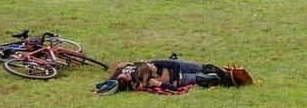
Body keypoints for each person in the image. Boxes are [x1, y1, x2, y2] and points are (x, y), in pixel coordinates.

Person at [104, 58, 252, 91]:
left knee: (205, 67)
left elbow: (172, 64)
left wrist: (108, 83)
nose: (123, 75)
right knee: (211, 79)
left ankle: (227, 73)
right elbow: (173, 88)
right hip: (180, 78)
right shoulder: (145, 82)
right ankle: (232, 81)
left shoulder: (124, 69)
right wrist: (161, 84)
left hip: (176, 67)